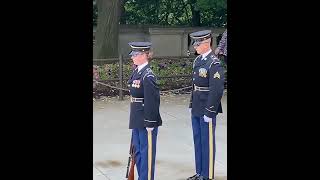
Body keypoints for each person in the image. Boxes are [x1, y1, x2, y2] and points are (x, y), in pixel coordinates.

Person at [187, 30, 225, 180]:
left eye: (197, 43)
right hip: (196, 106)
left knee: (207, 142)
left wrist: (210, 111)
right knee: (198, 140)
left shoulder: (214, 63)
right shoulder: (198, 61)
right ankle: (199, 172)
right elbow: (195, 85)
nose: (195, 46)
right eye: (194, 43)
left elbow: (216, 90)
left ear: (207, 42)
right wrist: (191, 104)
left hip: (207, 107)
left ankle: (207, 175)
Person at [127, 42, 162, 180]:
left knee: (146, 153)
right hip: (136, 118)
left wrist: (150, 123)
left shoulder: (148, 76)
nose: (132, 57)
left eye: (135, 55)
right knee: (138, 153)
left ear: (143, 55)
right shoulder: (137, 71)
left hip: (146, 120)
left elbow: (152, 101)